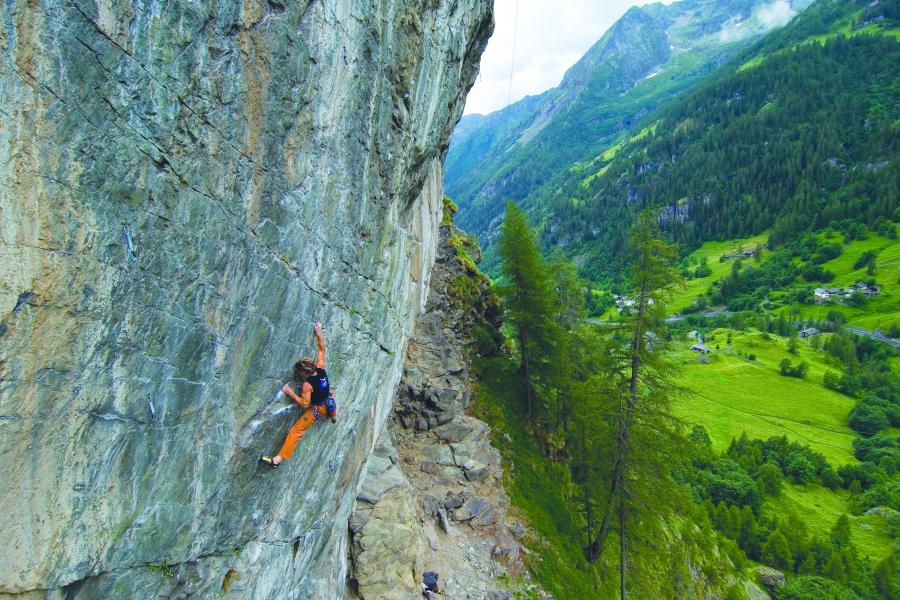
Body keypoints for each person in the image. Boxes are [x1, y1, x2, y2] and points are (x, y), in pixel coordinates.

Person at [260, 322, 337, 468]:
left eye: (300, 371)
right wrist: (319, 332)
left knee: (295, 431)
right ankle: (333, 416)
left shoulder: (307, 385)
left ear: (305, 372)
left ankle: (276, 460)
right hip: (327, 399)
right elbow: (322, 348)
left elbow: (304, 404)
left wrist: (290, 393)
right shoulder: (320, 367)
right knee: (330, 399)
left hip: (318, 409)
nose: (298, 373)